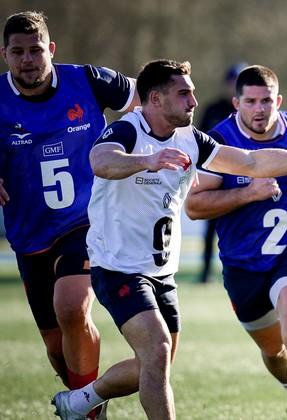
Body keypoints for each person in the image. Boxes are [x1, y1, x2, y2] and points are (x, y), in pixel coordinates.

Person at [51, 59, 287, 420]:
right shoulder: (129, 130)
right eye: (184, 94)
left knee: (156, 362)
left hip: (161, 274)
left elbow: (252, 163)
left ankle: (80, 401)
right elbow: (101, 161)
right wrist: (146, 161)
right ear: (156, 99)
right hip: (118, 268)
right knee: (157, 350)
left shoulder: (191, 138)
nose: (194, 101)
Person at [0, 10, 137, 416]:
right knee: (56, 349)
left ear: (52, 49)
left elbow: (150, 101)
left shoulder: (88, 80)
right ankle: (89, 404)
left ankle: (87, 413)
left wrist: (135, 153)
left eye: (36, 50)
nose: (28, 59)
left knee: (73, 307)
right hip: (30, 233)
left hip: (87, 220)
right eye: (18, 52)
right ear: (4, 55)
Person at [185, 65, 287, 420]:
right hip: (243, 265)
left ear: (278, 101)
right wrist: (247, 193)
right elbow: (193, 207)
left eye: (266, 101)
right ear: (236, 104)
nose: (259, 109)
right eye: (250, 101)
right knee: (274, 351)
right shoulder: (217, 143)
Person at [196, 62, 247, 284]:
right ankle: (206, 272)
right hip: (214, 176)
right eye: (232, 82)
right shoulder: (213, 109)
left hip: (241, 177)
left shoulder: (250, 112)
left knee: (242, 225)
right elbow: (197, 140)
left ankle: (243, 270)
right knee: (210, 228)